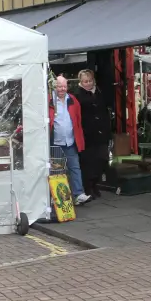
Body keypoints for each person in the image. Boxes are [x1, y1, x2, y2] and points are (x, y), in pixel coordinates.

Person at [48, 75, 91, 205]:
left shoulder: (73, 100)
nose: (62, 89)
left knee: (75, 168)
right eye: (59, 86)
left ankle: (79, 194)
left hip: (70, 141)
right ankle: (56, 197)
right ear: (54, 87)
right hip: (55, 142)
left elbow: (77, 120)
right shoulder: (49, 101)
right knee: (56, 170)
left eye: (64, 86)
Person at [74, 69, 110, 199]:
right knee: (88, 162)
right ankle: (88, 187)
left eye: (89, 81)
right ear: (81, 82)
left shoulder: (99, 92)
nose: (88, 83)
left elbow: (104, 111)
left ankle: (95, 183)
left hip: (101, 132)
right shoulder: (78, 95)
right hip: (87, 133)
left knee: (102, 159)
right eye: (85, 81)